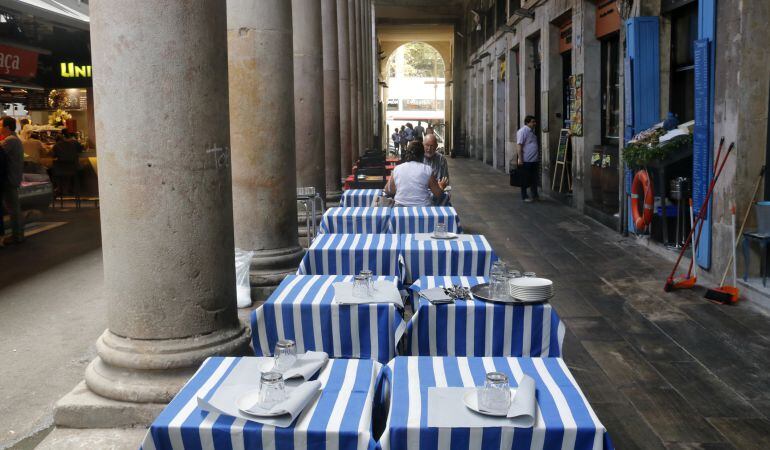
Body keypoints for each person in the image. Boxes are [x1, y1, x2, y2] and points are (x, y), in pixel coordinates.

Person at [384, 140, 446, 207]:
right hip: (423, 209)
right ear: (422, 154)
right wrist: (441, 186)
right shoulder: (427, 169)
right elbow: (438, 194)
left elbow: (388, 190)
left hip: (400, 208)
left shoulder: (397, 169)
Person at [1, 116, 24, 243]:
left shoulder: (10, 140)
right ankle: (18, 234)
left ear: (7, 127)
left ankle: (17, 235)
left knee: (13, 208)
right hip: (13, 177)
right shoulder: (14, 139)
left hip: (10, 178)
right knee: (13, 207)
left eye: (0, 126)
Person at [516, 115, 540, 202]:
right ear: (527, 122)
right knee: (525, 178)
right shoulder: (522, 131)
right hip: (526, 160)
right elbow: (519, 145)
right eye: (533, 122)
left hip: (534, 160)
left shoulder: (532, 132)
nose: (535, 123)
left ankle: (535, 195)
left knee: (534, 178)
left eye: (535, 122)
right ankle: (524, 196)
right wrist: (520, 159)